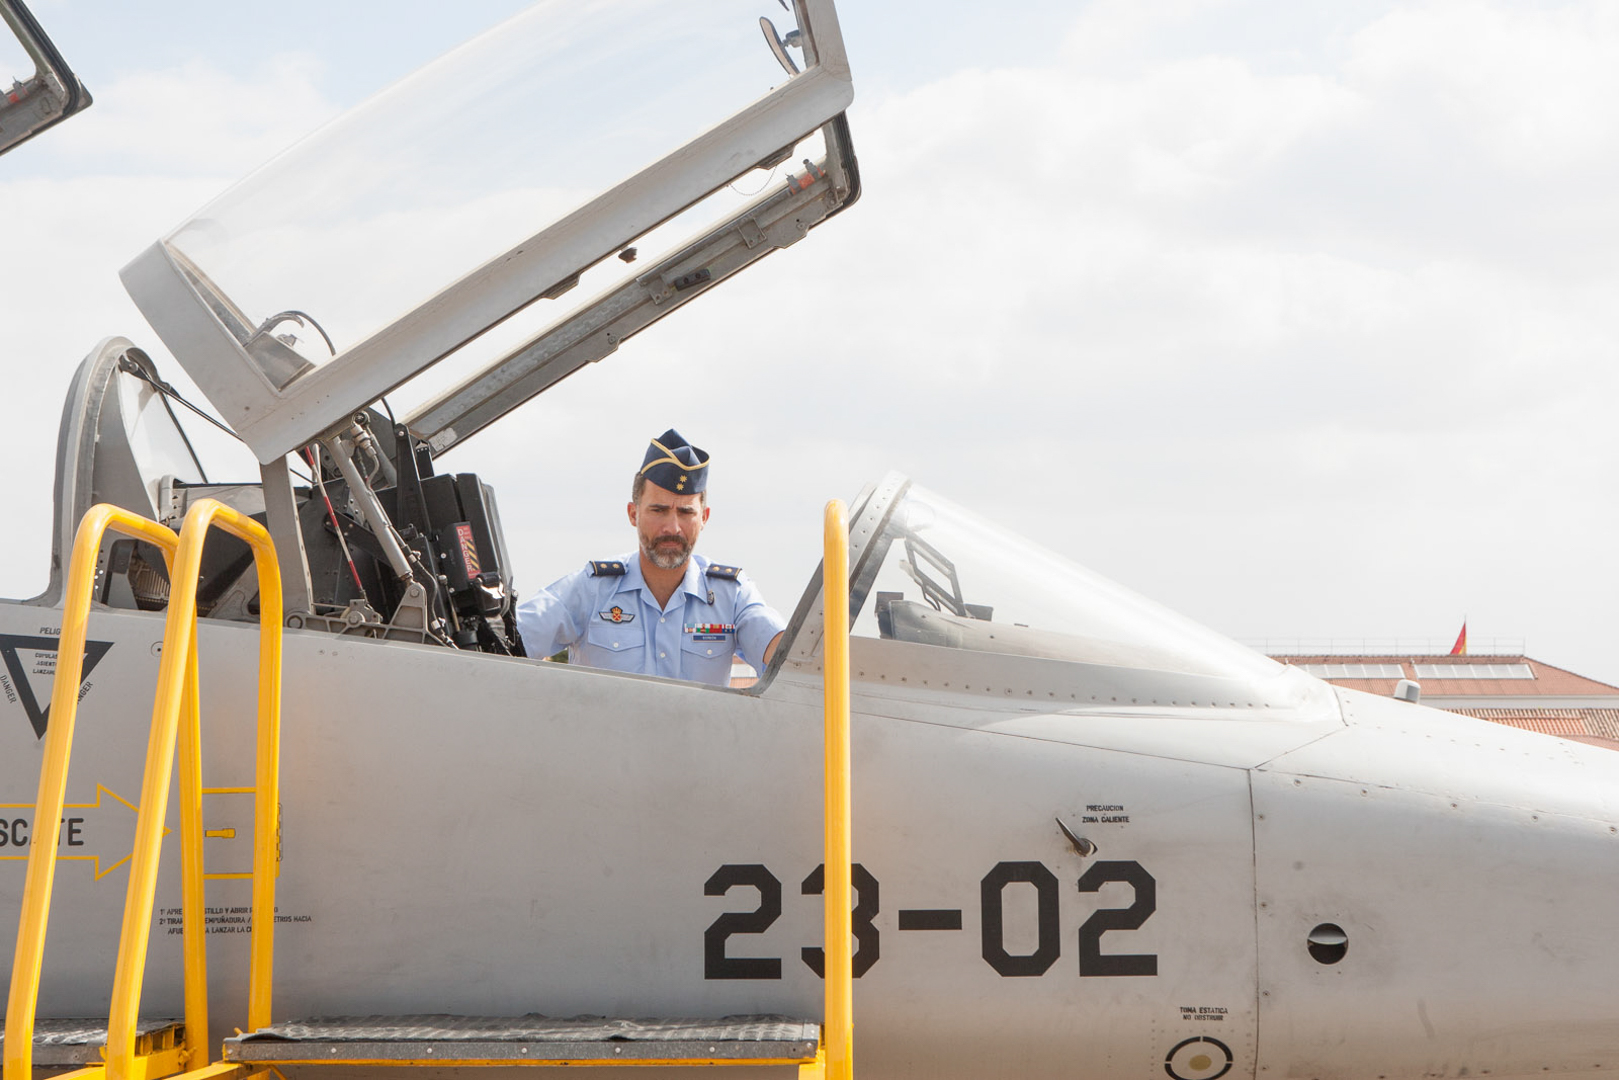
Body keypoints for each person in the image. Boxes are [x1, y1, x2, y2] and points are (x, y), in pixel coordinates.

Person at [515, 429, 786, 686]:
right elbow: (510, 642)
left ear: (703, 517)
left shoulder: (732, 595)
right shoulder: (593, 589)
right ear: (633, 514)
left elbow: (786, 658)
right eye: (658, 510)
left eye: (686, 512)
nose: (672, 528)